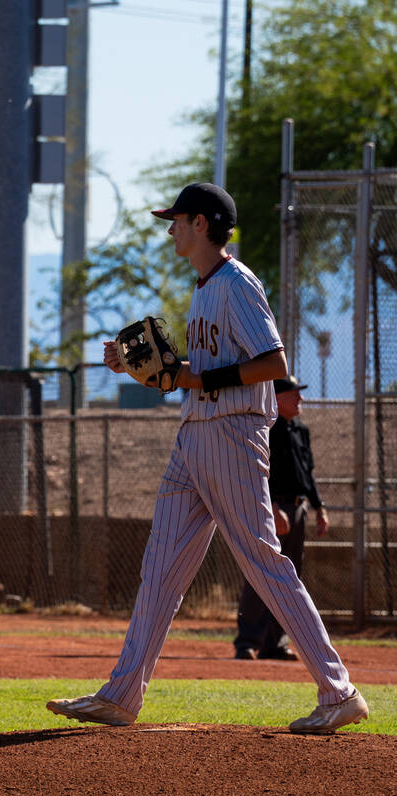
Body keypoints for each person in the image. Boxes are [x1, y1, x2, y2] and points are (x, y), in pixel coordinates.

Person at [47, 182, 368, 735]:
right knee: (159, 570)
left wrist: (193, 376)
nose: (170, 227)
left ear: (202, 223)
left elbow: (272, 361)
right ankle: (122, 694)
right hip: (194, 434)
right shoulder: (204, 288)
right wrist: (146, 369)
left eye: (176, 219)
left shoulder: (236, 281)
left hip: (232, 435)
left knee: (264, 563)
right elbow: (201, 371)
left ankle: (338, 691)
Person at [234, 374, 329, 661]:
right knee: (262, 573)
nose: (299, 398)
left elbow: (308, 474)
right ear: (276, 398)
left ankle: (274, 643)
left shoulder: (300, 429)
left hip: (298, 508)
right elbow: (258, 473)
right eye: (293, 393)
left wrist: (319, 507)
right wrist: (272, 508)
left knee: (289, 579)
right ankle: (247, 641)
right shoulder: (267, 428)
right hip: (273, 509)